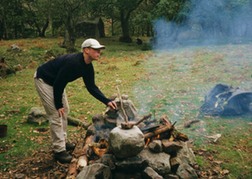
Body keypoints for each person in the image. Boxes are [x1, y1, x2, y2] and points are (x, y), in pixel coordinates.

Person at [34, 38, 117, 163]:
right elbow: (58, 83)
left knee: (65, 110)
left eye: (99, 50)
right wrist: (58, 104)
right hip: (44, 80)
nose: (99, 52)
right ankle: (59, 151)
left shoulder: (87, 66)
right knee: (56, 114)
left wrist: (106, 101)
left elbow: (91, 87)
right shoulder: (73, 63)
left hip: (56, 83)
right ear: (86, 50)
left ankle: (63, 141)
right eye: (96, 50)